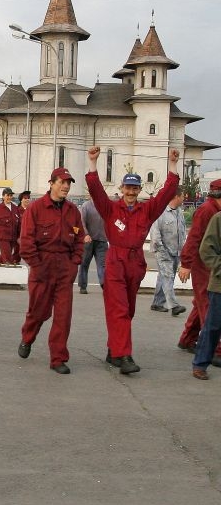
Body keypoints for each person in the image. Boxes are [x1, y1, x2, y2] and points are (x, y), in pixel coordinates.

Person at [86, 146, 180, 375]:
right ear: (121, 188)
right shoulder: (110, 209)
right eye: (127, 187)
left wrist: (173, 165)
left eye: (134, 187)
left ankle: (113, 349)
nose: (131, 191)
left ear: (139, 190)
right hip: (115, 261)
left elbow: (167, 193)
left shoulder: (147, 210)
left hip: (135, 263)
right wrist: (92, 163)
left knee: (128, 311)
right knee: (119, 309)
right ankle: (125, 356)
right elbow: (96, 190)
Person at [18, 167, 84, 374]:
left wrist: (74, 263)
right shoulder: (36, 208)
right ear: (51, 183)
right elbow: (26, 241)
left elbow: (80, 239)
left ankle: (58, 358)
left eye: (68, 183)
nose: (66, 186)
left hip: (65, 267)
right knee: (39, 312)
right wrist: (37, 267)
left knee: (63, 316)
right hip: (42, 266)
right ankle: (28, 337)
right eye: (62, 182)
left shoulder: (73, 211)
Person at [177, 180, 221, 360]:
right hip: (202, 265)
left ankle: (187, 339)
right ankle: (215, 351)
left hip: (207, 264)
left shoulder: (213, 210)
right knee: (208, 306)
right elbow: (194, 238)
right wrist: (186, 263)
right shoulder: (207, 210)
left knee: (201, 303)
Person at [191, 211, 221, 379]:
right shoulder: (218, 219)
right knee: (213, 326)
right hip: (219, 285)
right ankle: (200, 363)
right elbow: (206, 249)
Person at [150, 188, 187, 316]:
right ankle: (174, 305)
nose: (184, 199)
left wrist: (183, 251)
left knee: (164, 276)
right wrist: (162, 252)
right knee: (168, 277)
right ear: (176, 196)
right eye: (182, 196)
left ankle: (157, 303)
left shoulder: (179, 213)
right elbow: (155, 235)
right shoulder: (160, 212)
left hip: (176, 251)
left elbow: (182, 232)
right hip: (163, 251)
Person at [77, 198, 108, 294]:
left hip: (102, 240)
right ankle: (83, 285)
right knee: (84, 264)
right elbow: (82, 221)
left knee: (102, 265)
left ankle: (104, 284)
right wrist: (86, 234)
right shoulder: (86, 206)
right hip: (88, 240)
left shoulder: (105, 206)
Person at [0, 187, 20, 264]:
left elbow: (19, 222)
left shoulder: (15, 208)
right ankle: (9, 270)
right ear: (3, 196)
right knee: (8, 257)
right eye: (7, 195)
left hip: (13, 237)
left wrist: (19, 235)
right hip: (2, 236)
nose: (9, 197)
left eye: (11, 195)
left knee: (6, 253)